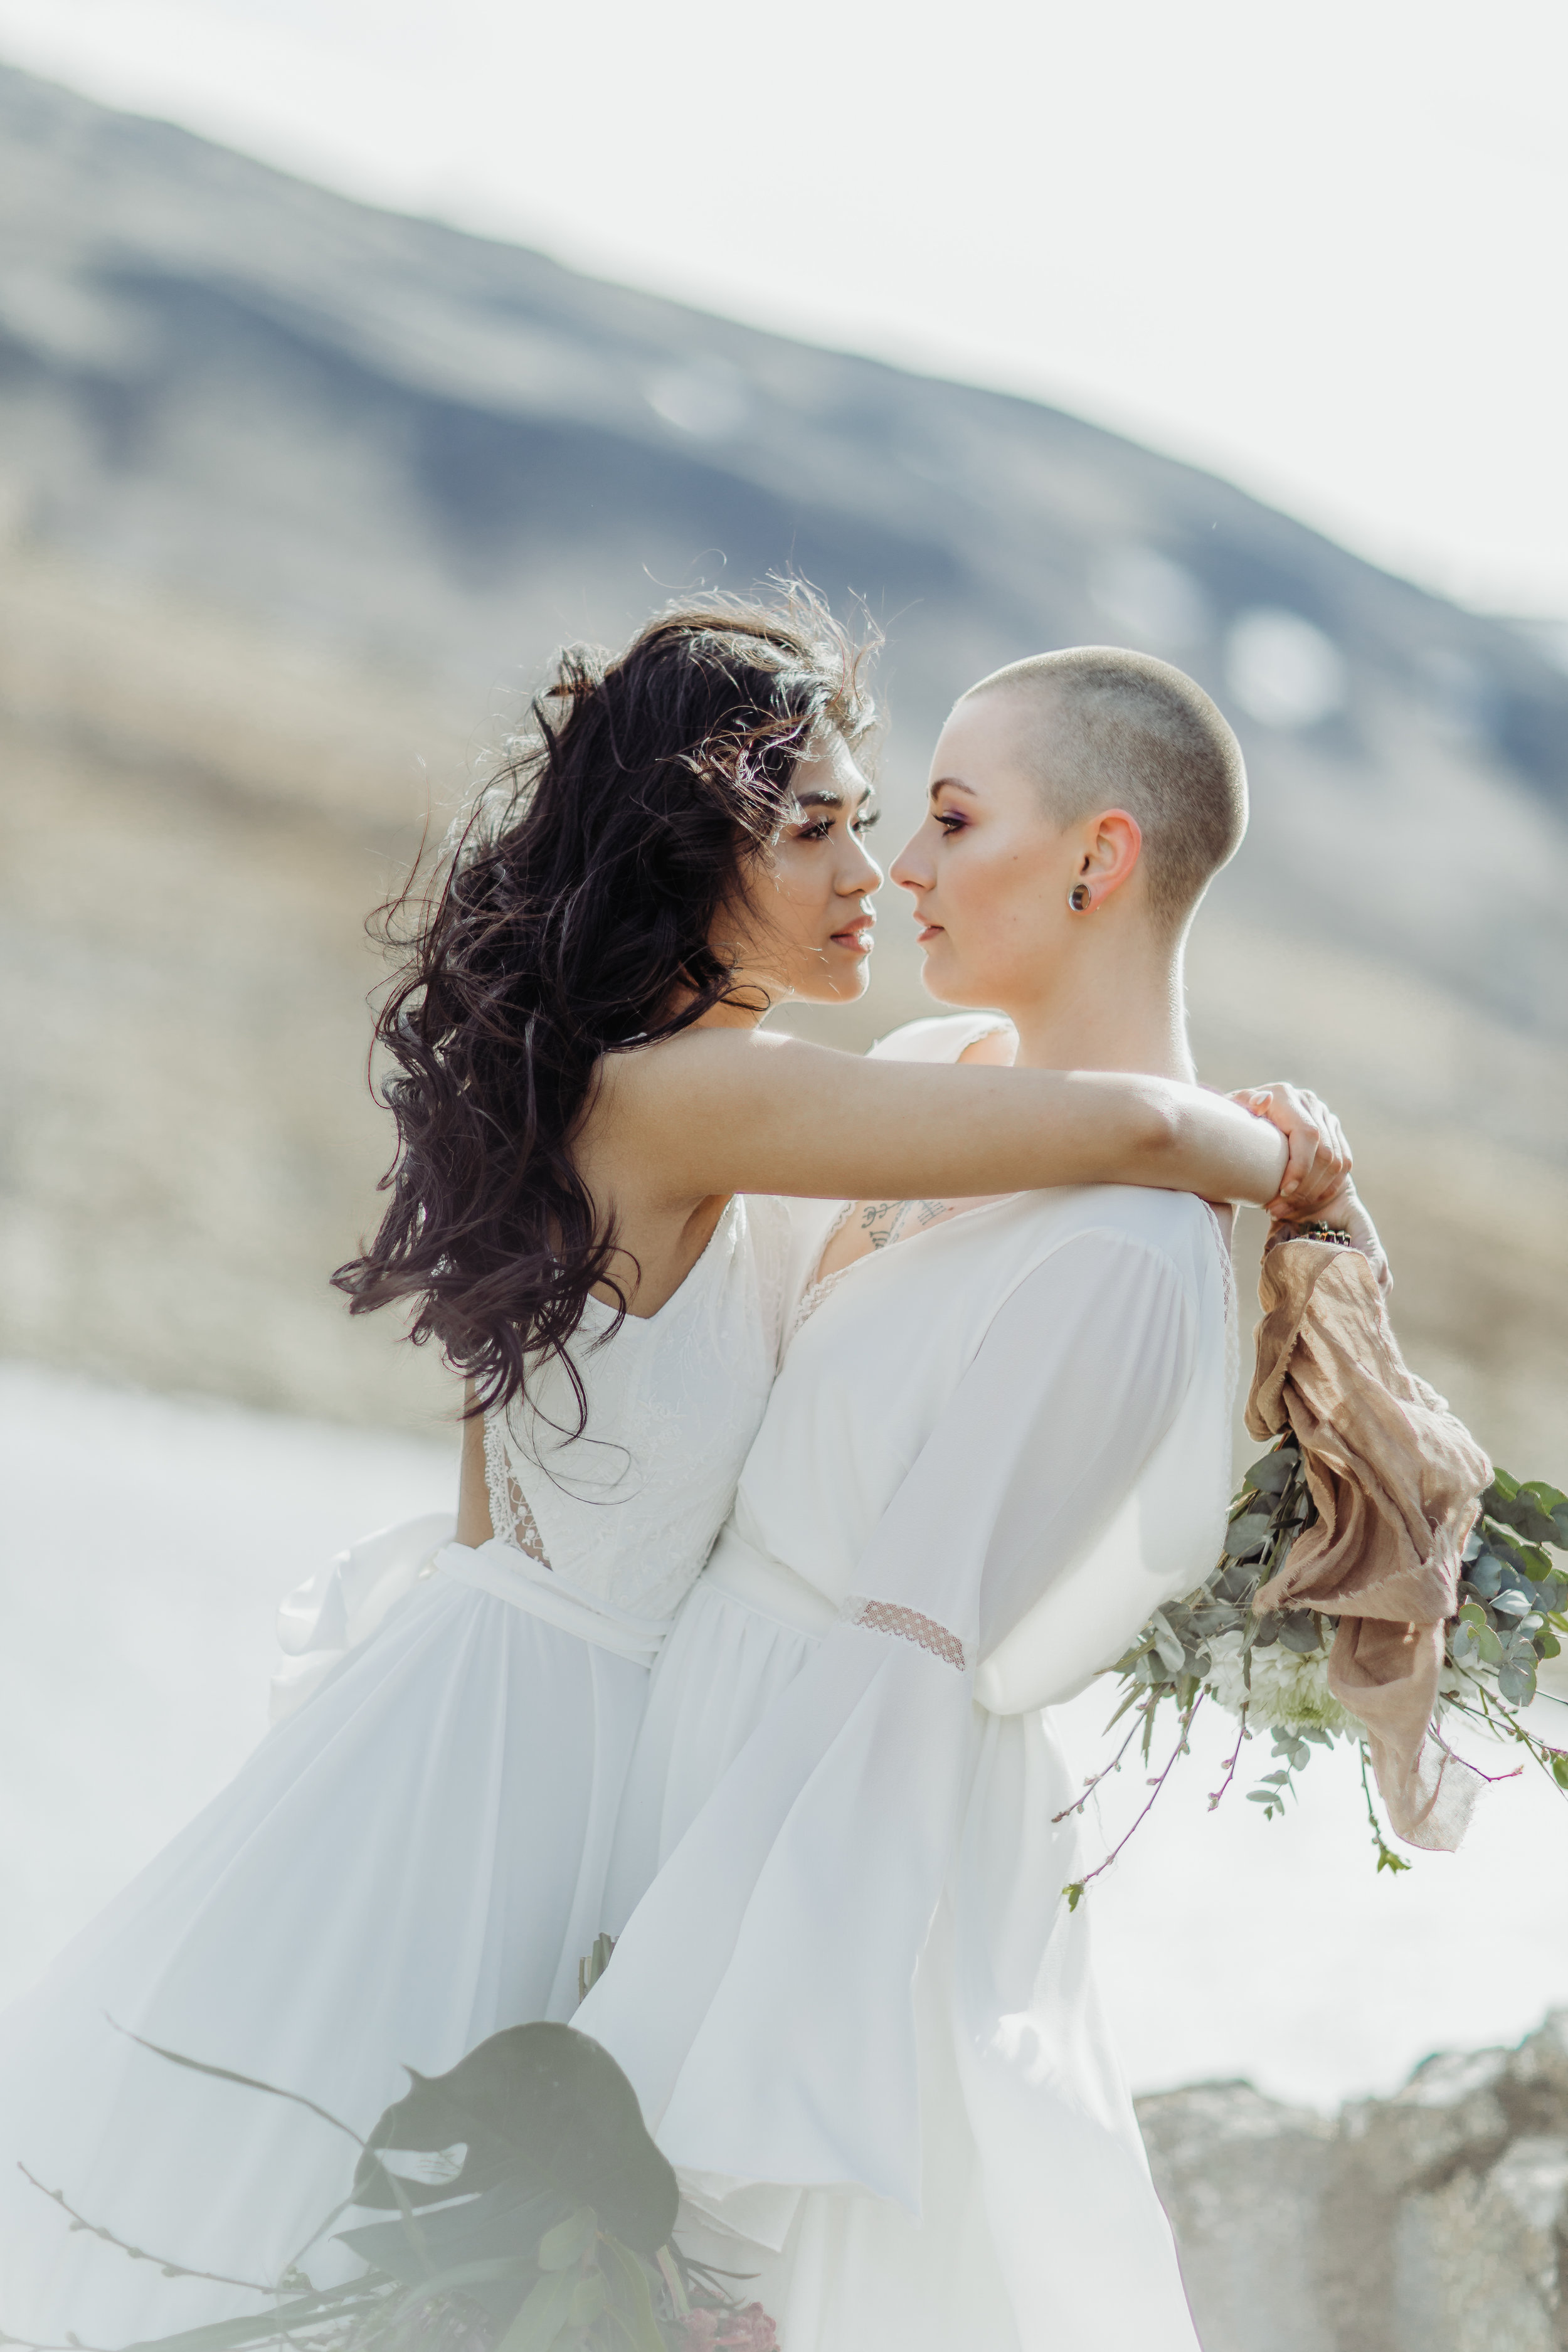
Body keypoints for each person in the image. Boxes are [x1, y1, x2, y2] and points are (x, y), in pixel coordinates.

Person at [0, 598, 1341, 2342]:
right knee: (385, 2235)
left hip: (548, 1698)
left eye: (889, 817)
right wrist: (1300, 1165)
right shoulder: (690, 1094)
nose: (870, 868)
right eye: (816, 829)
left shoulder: (668, 1081)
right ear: (682, 854)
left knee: (414, 2252)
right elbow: (1146, 1132)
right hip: (542, 1730)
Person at [578, 645, 1383, 2351]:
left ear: (1098, 860)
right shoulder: (944, 1066)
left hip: (809, 1821)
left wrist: (702, 2171)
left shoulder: (1122, 1254)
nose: (901, 872)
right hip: (704, 1739)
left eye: (946, 819)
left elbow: (900, 1681)